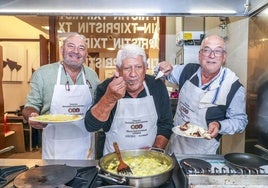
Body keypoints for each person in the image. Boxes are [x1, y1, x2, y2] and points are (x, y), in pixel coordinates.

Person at [158, 35, 248, 154]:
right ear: (200, 55)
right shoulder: (187, 71)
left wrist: (219, 125)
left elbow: (240, 121)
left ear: (224, 57)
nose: (212, 55)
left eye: (218, 51)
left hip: (203, 153)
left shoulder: (233, 87)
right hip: (175, 145)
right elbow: (164, 72)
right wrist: (162, 67)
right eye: (207, 50)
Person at [84, 44, 173, 156]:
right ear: (118, 70)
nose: (133, 74)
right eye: (127, 68)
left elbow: (166, 124)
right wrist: (109, 98)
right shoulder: (107, 87)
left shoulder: (156, 86)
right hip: (114, 161)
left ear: (145, 68)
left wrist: (154, 152)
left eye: (138, 67)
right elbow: (91, 126)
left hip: (150, 162)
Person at [22, 33, 100, 159]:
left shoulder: (92, 76)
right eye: (71, 46)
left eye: (81, 48)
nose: (76, 51)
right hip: (55, 151)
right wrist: (32, 116)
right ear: (62, 50)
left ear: (86, 54)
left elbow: (97, 108)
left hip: (85, 150)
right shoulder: (43, 74)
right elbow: (30, 106)